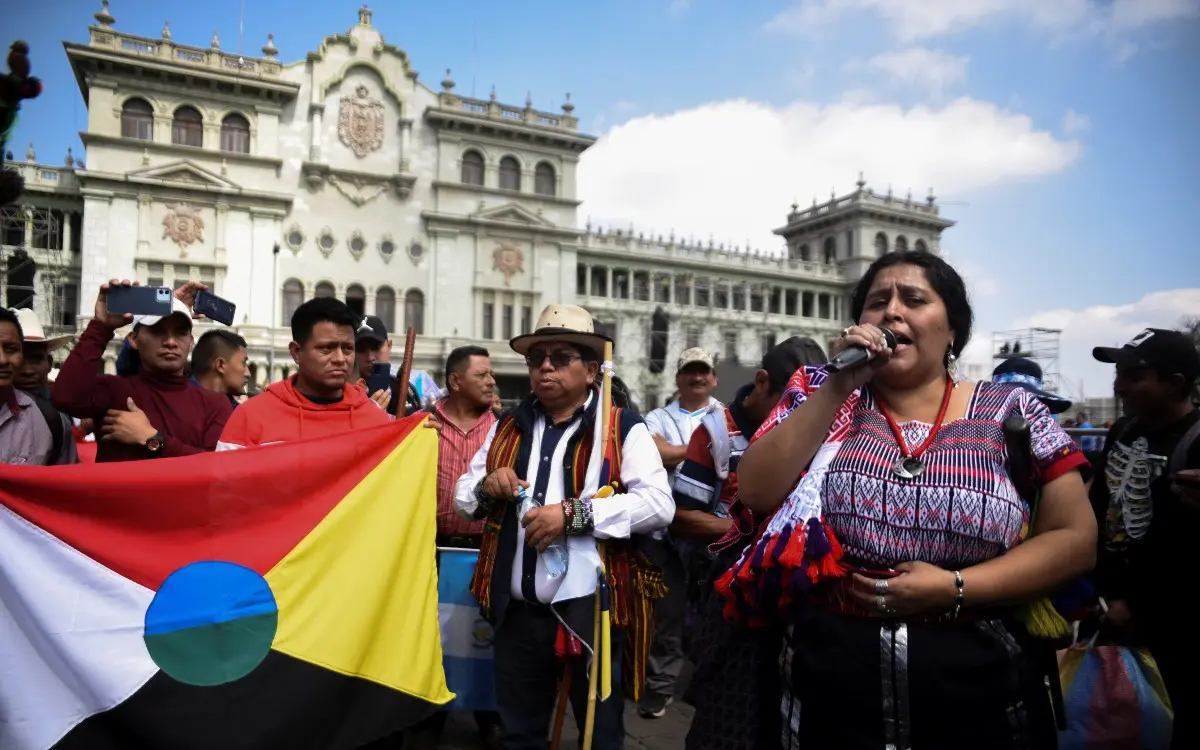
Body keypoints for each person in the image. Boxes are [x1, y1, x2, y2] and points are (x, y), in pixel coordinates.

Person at [731, 250, 1096, 749]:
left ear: (952, 329)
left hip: (982, 687)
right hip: (831, 687)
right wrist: (838, 385)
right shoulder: (820, 392)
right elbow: (755, 490)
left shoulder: (1011, 409)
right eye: (877, 301)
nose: (892, 312)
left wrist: (957, 587)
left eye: (915, 299)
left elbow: (1074, 538)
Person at [453, 303, 674, 750]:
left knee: (598, 733)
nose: (545, 367)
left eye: (560, 357)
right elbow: (462, 497)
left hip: (589, 612)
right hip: (517, 615)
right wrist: (487, 487)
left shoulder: (622, 428)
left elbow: (657, 505)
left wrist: (574, 516)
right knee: (519, 733)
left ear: (592, 370)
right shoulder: (508, 426)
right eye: (537, 359)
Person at [677, 336, 824, 750]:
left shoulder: (825, 424)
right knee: (729, 724)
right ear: (761, 382)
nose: (796, 416)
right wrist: (754, 533)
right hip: (733, 604)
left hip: (801, 607)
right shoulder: (716, 432)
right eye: (789, 401)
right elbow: (681, 516)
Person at [1090, 327, 1200, 749]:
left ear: (1174, 383)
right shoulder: (1124, 431)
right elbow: (1101, 506)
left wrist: (1137, 604)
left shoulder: (1197, 441)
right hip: (1110, 612)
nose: (1120, 385)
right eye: (1119, 373)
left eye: (1135, 375)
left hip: (1173, 625)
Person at [408, 345, 502, 750]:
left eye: (491, 374)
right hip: (432, 550)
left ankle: (491, 716)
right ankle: (430, 714)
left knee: (488, 638)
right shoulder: (420, 425)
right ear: (455, 381)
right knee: (432, 638)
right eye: (481, 375)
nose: (491, 381)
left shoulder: (505, 430)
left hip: (488, 551)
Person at [52, 280, 232, 461]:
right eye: (157, 331)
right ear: (133, 340)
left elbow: (215, 467)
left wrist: (152, 438)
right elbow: (65, 397)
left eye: (180, 332)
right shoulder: (114, 391)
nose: (170, 342)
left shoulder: (215, 404)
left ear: (191, 342)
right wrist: (100, 327)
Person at [640, 347, 721, 718]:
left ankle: (710, 685)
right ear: (679, 378)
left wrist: (678, 453)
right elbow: (654, 453)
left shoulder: (725, 414)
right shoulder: (658, 416)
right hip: (668, 531)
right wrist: (708, 451)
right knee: (667, 614)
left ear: (713, 378)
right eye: (690, 371)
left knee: (714, 614)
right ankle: (660, 687)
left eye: (703, 371)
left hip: (715, 532)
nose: (697, 377)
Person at [218, 297, 390, 449]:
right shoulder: (250, 418)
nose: (340, 358)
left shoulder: (376, 421)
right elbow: (225, 483)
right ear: (296, 352)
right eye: (326, 348)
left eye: (347, 349)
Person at [9, 307, 77, 465]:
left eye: (36, 359)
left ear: (49, 364)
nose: (27, 370)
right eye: (20, 358)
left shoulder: (59, 415)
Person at [190, 329, 249, 409]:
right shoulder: (177, 404)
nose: (248, 374)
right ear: (221, 365)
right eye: (243, 363)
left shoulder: (239, 413)